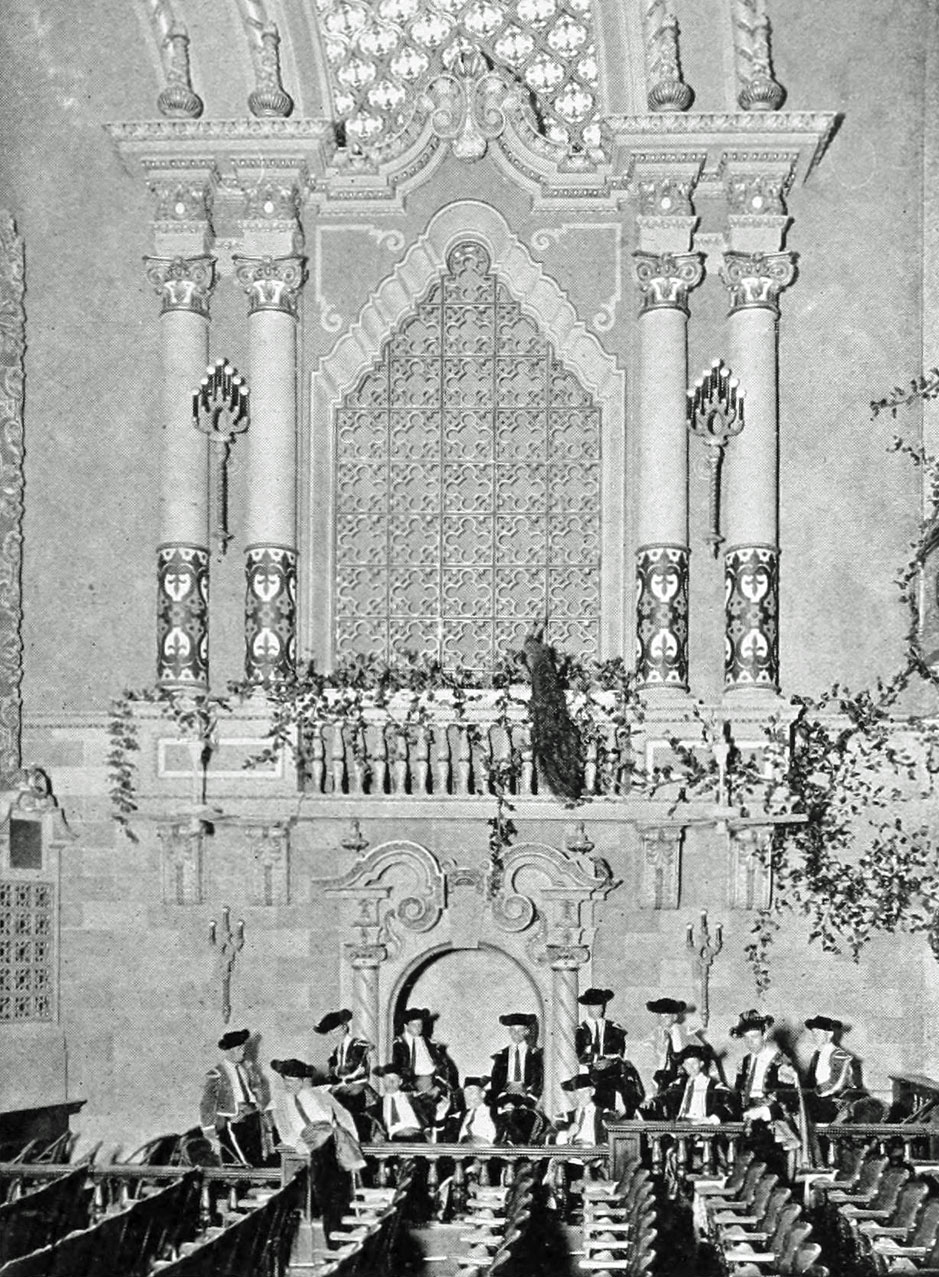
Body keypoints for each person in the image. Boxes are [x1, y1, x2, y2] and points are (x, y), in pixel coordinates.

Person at [269, 1058, 360, 1247]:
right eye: (285, 1080)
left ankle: (345, 1232)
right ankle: (335, 1237)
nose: (288, 1085)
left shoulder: (320, 1094)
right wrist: (296, 1142)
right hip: (310, 1142)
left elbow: (344, 1115)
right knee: (328, 1185)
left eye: (293, 1081)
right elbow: (284, 1128)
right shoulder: (280, 1102)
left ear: (303, 1081)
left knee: (337, 1185)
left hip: (333, 1138)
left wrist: (353, 1138)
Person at [730, 1009, 800, 1168]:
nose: (749, 1042)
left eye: (754, 1037)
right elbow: (738, 1093)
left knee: (770, 1167)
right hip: (746, 1119)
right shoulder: (745, 1062)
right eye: (746, 1038)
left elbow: (789, 1098)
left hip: (772, 1123)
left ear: (765, 1036)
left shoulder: (781, 1062)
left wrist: (764, 1111)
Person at [200, 1028, 265, 1166]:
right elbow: (207, 1103)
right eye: (241, 1049)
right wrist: (209, 1132)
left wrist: (257, 1103)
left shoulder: (245, 1070)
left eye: (244, 1048)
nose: (244, 1052)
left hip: (252, 1119)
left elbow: (251, 1091)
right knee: (243, 1162)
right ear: (232, 1050)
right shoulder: (216, 1073)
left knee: (258, 1157)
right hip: (233, 1121)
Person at [575, 988, 644, 1116]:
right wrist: (596, 1061)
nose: (597, 1009)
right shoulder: (581, 1030)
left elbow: (620, 1052)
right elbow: (579, 1053)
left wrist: (610, 1061)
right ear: (588, 1008)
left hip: (611, 1070)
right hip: (589, 1070)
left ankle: (622, 1114)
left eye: (599, 1006)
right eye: (593, 1006)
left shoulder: (614, 1028)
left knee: (623, 1088)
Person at [803, 1014, 881, 1123]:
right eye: (814, 1034)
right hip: (822, 1099)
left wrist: (815, 1092)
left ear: (828, 1035)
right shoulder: (817, 1055)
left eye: (818, 1034)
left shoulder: (838, 1054)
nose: (814, 1037)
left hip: (835, 1101)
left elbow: (834, 1081)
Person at [315, 1007, 377, 1138]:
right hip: (342, 1088)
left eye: (337, 1031)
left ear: (344, 1028)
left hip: (357, 1088)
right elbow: (332, 1073)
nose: (335, 1036)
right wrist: (335, 1074)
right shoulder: (335, 1051)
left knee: (347, 1112)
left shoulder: (359, 1045)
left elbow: (348, 1068)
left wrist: (336, 1071)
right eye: (332, 1033)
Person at [646, 997, 706, 1094]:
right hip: (664, 1075)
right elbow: (655, 1057)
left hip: (683, 1074)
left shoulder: (683, 1031)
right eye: (660, 1016)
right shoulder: (657, 1033)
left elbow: (682, 1054)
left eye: (666, 1016)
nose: (662, 1020)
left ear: (674, 1017)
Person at [660, 1045, 733, 1123]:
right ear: (684, 1066)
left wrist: (712, 1119)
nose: (691, 1067)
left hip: (702, 1126)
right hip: (681, 1124)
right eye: (687, 1064)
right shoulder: (679, 1084)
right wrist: (652, 1102)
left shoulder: (714, 1085)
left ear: (701, 1064)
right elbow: (664, 1097)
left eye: (694, 1063)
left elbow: (729, 1103)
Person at [489, 1013, 544, 1105]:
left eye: (520, 1030)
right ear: (509, 1032)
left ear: (527, 1032)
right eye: (513, 1030)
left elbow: (538, 1078)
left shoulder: (534, 1054)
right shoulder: (501, 1055)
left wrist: (530, 1097)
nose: (516, 1034)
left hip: (527, 1097)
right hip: (505, 1096)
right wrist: (501, 1096)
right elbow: (496, 1080)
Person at [370, 1063, 431, 1142]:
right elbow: (378, 1125)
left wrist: (427, 1131)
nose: (391, 1082)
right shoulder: (378, 1104)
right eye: (387, 1079)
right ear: (383, 1082)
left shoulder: (412, 1097)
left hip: (416, 1136)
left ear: (400, 1081)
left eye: (394, 1079)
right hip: (395, 1140)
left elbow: (425, 1114)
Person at [454, 1077, 498, 1144]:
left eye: (472, 1092)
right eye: (465, 1093)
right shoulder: (461, 1115)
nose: (468, 1096)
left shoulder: (494, 1112)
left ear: (482, 1094)